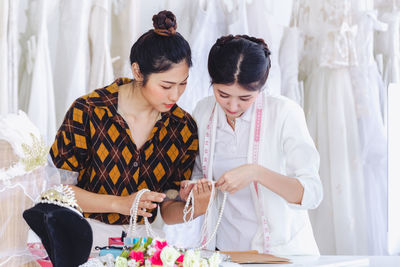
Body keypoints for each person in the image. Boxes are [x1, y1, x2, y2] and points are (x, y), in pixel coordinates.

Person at [49, 10, 204, 248]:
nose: (175, 95)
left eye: (183, 84)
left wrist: (194, 207)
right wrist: (120, 204)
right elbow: (57, 190)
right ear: (138, 71)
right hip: (80, 240)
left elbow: (168, 210)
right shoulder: (89, 111)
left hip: (145, 247)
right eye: (166, 85)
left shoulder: (182, 127)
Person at [190, 35, 323, 255]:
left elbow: (312, 193)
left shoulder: (284, 113)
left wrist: (255, 172)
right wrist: (194, 188)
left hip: (281, 254)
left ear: (261, 88)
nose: (232, 106)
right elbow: (198, 174)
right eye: (222, 94)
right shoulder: (204, 112)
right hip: (224, 252)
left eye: (245, 98)